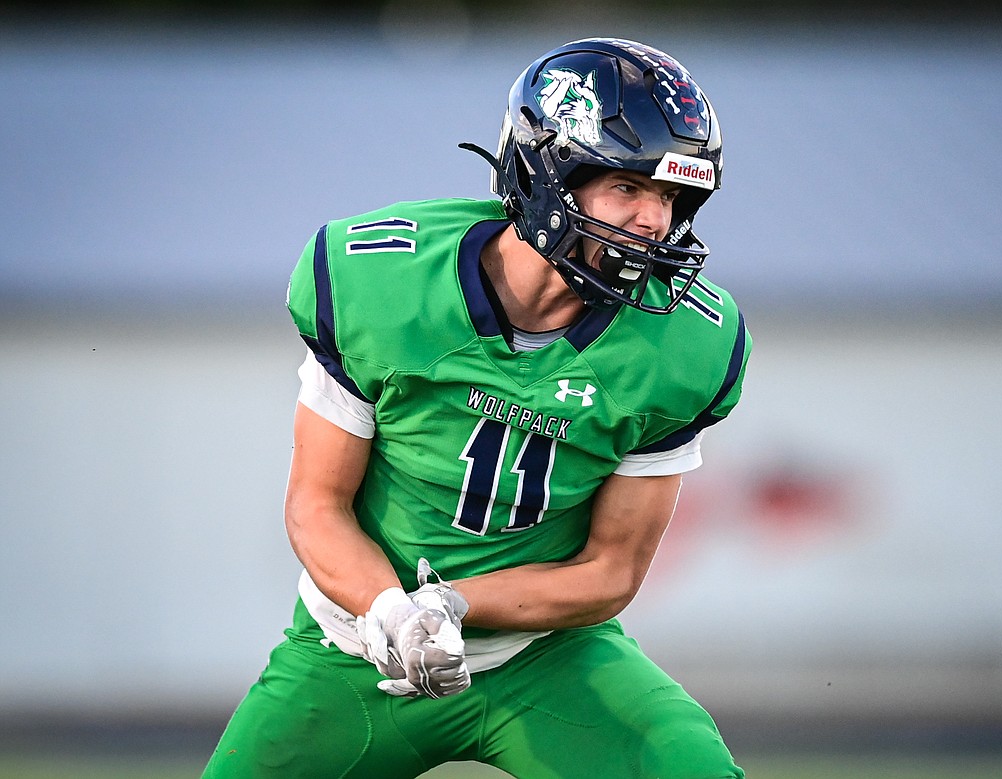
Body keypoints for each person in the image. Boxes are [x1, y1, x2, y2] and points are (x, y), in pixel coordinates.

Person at [204, 37, 751, 779]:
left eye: (671, 196)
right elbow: (315, 506)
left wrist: (452, 605)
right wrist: (394, 612)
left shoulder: (682, 345)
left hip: (544, 657)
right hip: (357, 650)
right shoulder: (385, 285)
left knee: (688, 766)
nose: (655, 221)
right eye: (629, 187)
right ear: (547, 172)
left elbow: (610, 570)